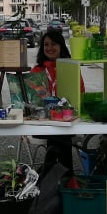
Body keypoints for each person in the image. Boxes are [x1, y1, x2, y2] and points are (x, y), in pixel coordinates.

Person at [31, 31, 83, 173]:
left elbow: (81, 93)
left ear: (61, 46)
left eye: (53, 44)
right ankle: (66, 176)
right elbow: (32, 100)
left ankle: (50, 170)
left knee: (61, 132)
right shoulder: (37, 70)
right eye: (46, 45)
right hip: (42, 122)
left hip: (66, 118)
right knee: (60, 134)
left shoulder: (71, 68)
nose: (49, 48)